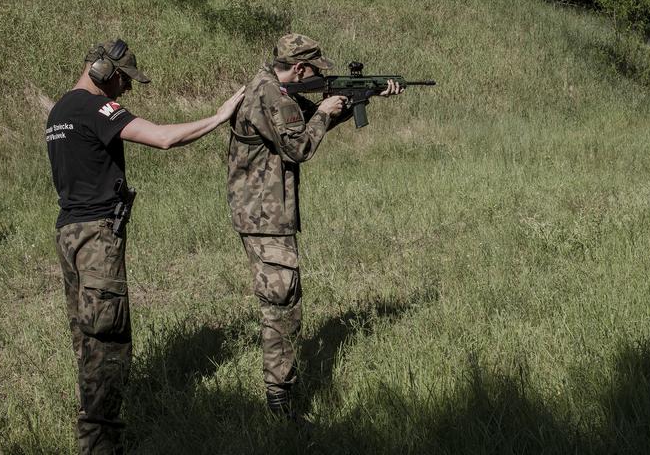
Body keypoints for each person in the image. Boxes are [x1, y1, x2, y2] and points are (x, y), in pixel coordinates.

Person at [46, 38, 244, 453]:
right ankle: (102, 445)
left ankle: (94, 433)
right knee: (109, 342)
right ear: (104, 71)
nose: (127, 89)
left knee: (87, 339)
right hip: (97, 237)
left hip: (70, 233)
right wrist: (219, 116)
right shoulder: (95, 107)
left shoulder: (60, 109)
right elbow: (163, 138)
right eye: (124, 79)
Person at [226, 33, 401, 418]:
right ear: (301, 68)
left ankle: (281, 391)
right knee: (282, 303)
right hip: (265, 214)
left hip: (261, 210)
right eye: (313, 69)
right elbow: (299, 145)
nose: (317, 74)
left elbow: (298, 124)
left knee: (282, 299)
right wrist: (325, 111)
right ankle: (280, 400)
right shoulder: (272, 95)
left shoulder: (267, 85)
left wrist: (360, 98)